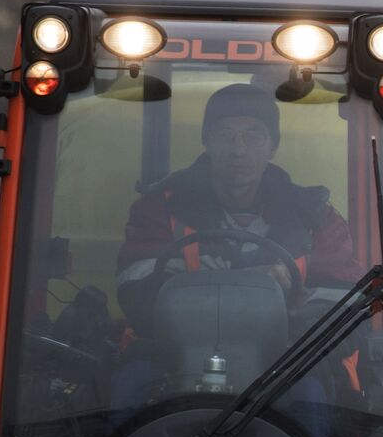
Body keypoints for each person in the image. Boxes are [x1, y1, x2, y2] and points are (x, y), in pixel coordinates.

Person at [115, 83, 360, 329]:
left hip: (292, 359)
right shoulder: (161, 209)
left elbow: (349, 301)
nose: (238, 151)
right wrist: (249, 283)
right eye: (224, 135)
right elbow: (136, 295)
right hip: (176, 355)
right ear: (206, 142)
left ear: (273, 147)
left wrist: (291, 305)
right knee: (137, 368)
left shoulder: (314, 217)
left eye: (253, 137)